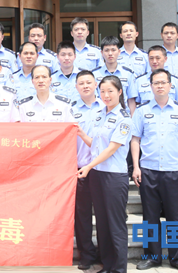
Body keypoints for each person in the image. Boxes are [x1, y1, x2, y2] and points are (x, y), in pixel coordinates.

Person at [131, 69, 178, 273]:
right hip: (148, 171)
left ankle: (177, 259)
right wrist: (136, 167)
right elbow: (135, 139)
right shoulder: (141, 111)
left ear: (170, 85)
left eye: (163, 82)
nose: (159, 86)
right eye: (156, 83)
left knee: (176, 217)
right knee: (150, 217)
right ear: (150, 86)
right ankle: (152, 257)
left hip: (173, 171)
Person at [77, 76, 132, 273]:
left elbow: (111, 149)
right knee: (102, 223)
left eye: (110, 91)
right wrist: (81, 134)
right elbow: (96, 145)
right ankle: (107, 265)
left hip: (113, 177)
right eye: (102, 91)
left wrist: (88, 166)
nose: (106, 95)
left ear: (119, 92)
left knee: (115, 225)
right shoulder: (100, 115)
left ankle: (119, 268)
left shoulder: (124, 118)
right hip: (97, 175)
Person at [71, 70, 103, 270]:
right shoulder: (70, 110)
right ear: (76, 87)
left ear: (95, 84)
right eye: (81, 83)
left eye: (88, 82)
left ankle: (105, 252)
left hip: (103, 169)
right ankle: (87, 255)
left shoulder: (106, 108)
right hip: (80, 168)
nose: (85, 86)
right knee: (82, 216)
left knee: (103, 214)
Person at [92, 36, 138, 114]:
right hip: (101, 115)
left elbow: (131, 100)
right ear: (102, 53)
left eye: (113, 50)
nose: (110, 53)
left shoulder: (128, 74)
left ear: (119, 52)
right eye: (107, 50)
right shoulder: (95, 74)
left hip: (123, 116)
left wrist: (131, 118)